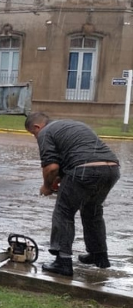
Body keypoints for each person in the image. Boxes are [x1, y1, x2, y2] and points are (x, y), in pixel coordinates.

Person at [25, 112, 121, 277]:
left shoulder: (46, 133)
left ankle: (63, 261)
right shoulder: (72, 125)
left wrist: (47, 186)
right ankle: (99, 256)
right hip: (111, 169)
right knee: (92, 211)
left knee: (63, 212)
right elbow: (75, 155)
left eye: (34, 134)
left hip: (85, 170)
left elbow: (52, 167)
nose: (36, 138)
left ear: (37, 127)